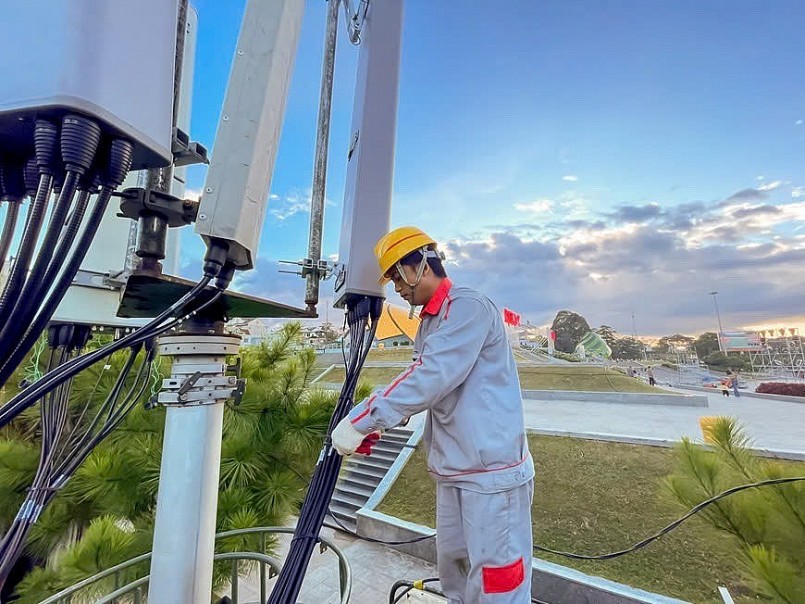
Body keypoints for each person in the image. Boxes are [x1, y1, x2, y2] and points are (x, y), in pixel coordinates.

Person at [332, 226, 535, 603]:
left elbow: (431, 376)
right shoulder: (430, 321)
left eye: (397, 277)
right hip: (456, 470)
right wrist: (383, 424)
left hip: (492, 475)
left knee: (497, 585)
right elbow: (428, 387)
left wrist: (362, 419)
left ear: (422, 265)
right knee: (455, 575)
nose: (396, 288)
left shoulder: (467, 306)